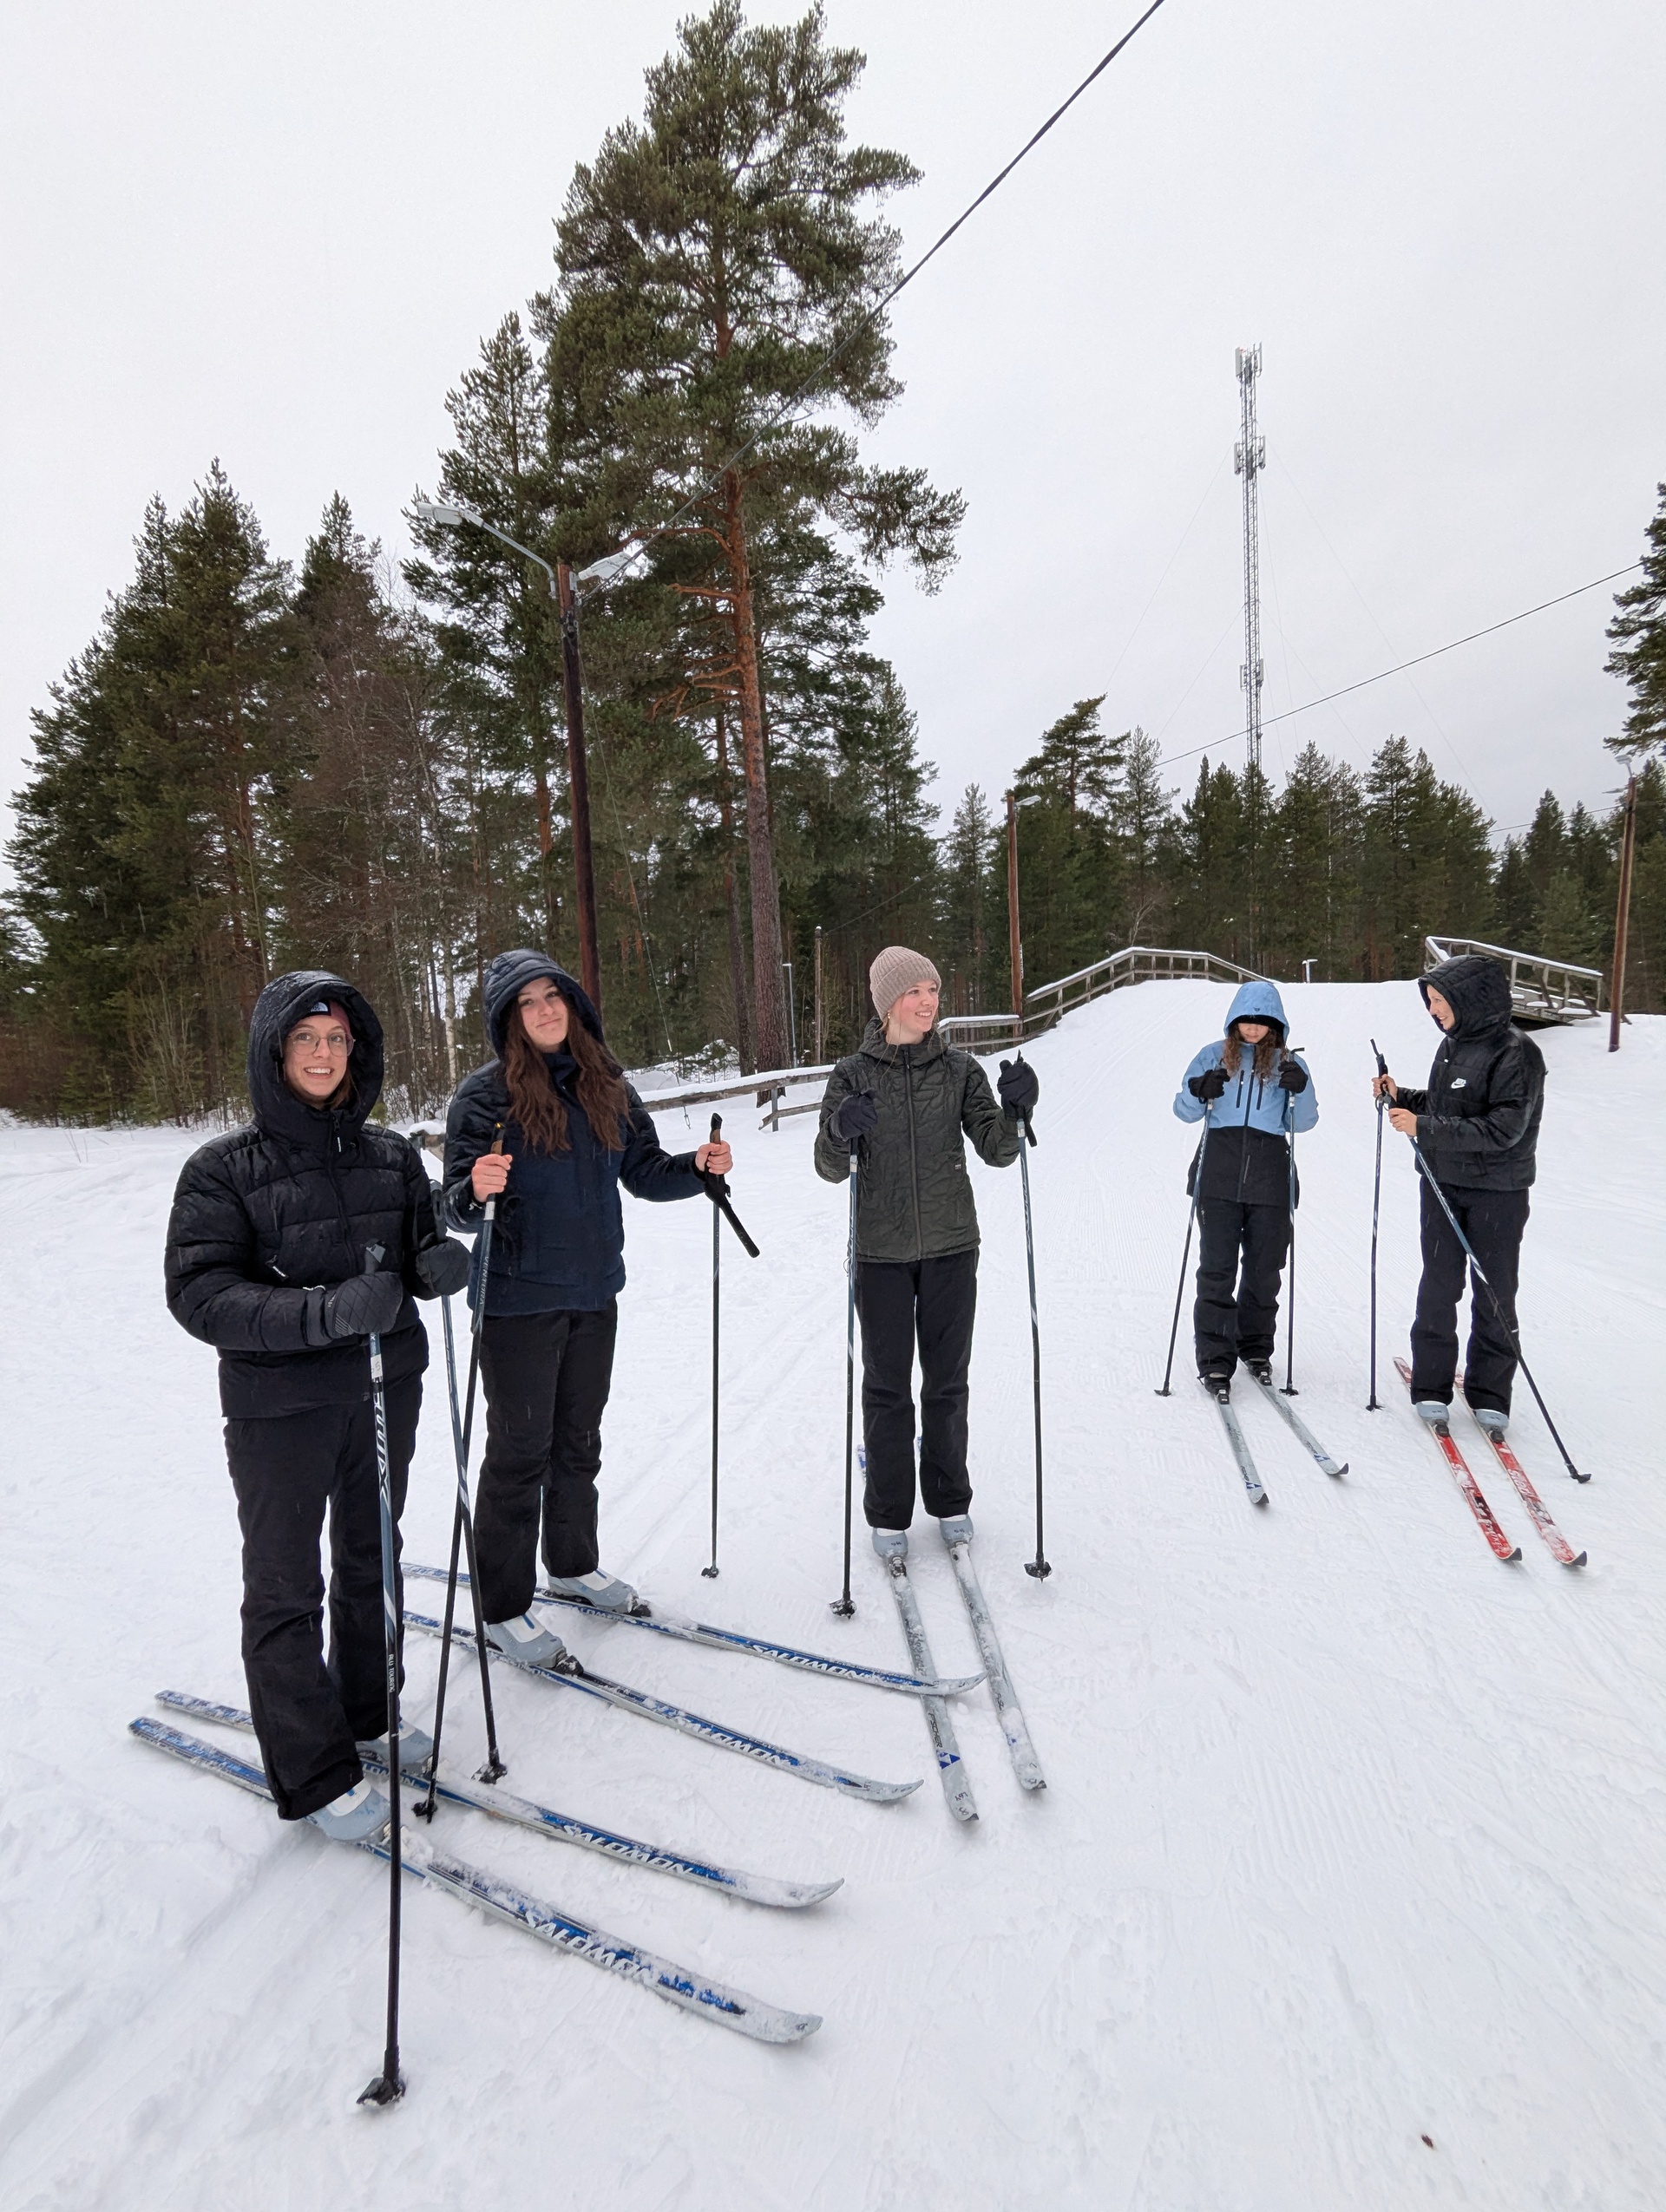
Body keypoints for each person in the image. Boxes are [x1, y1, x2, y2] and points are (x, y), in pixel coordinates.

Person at [165, 972, 471, 1841]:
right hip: (280, 1405)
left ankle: (368, 1712)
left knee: (373, 1555)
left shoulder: (388, 1156)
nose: (323, 1054)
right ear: (275, 1050)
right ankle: (312, 1765)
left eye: (336, 1040)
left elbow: (411, 1251)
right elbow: (200, 1293)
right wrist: (323, 1311)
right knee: (285, 1585)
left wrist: (431, 1268)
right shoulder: (222, 1169)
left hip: (384, 1383)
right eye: (306, 1039)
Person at [442, 950, 731, 1660]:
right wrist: (475, 1187)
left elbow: (644, 1173)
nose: (544, 1011)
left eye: (553, 997)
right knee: (518, 1455)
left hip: (596, 1292)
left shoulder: (607, 1084)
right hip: (517, 1304)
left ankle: (570, 1565)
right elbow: (451, 1206)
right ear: (509, 1019)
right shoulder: (483, 1100)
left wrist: (696, 1168)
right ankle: (503, 1607)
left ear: (572, 1004)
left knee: (578, 1444)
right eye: (527, 1003)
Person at [813, 945, 1033, 1557]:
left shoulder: (961, 1070)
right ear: (888, 1002)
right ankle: (889, 1511)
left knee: (946, 1382)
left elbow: (997, 1149)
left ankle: (949, 1498)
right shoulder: (852, 1074)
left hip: (951, 1247)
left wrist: (1017, 1112)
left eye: (933, 990)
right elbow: (828, 1166)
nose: (928, 1001)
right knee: (886, 1384)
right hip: (880, 1254)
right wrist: (839, 1129)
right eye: (914, 992)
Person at [1372, 952, 1545, 1431]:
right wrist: (1402, 1096)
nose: (1434, 1012)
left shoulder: (1518, 1052)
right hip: (1442, 1183)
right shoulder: (1451, 1046)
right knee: (1439, 1285)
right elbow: (1448, 1105)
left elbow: (1504, 1128)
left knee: (1494, 1292)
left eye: (1440, 1001)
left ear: (1469, 999)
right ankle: (1431, 1384)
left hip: (1498, 1192)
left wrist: (1422, 1126)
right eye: (1429, 1003)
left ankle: (1491, 1392)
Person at [1173, 979, 1317, 1397]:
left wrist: (1300, 1090)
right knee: (1216, 1270)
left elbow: (1304, 1122)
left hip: (1270, 1174)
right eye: (1245, 1021)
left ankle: (1255, 1348)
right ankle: (1215, 1360)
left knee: (1264, 1269)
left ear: (1275, 1024)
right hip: (1218, 1168)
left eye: (1261, 1021)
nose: (1252, 1029)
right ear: (1233, 1022)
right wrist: (1198, 1092)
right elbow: (1183, 1111)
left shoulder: (1291, 1065)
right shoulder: (1211, 1057)